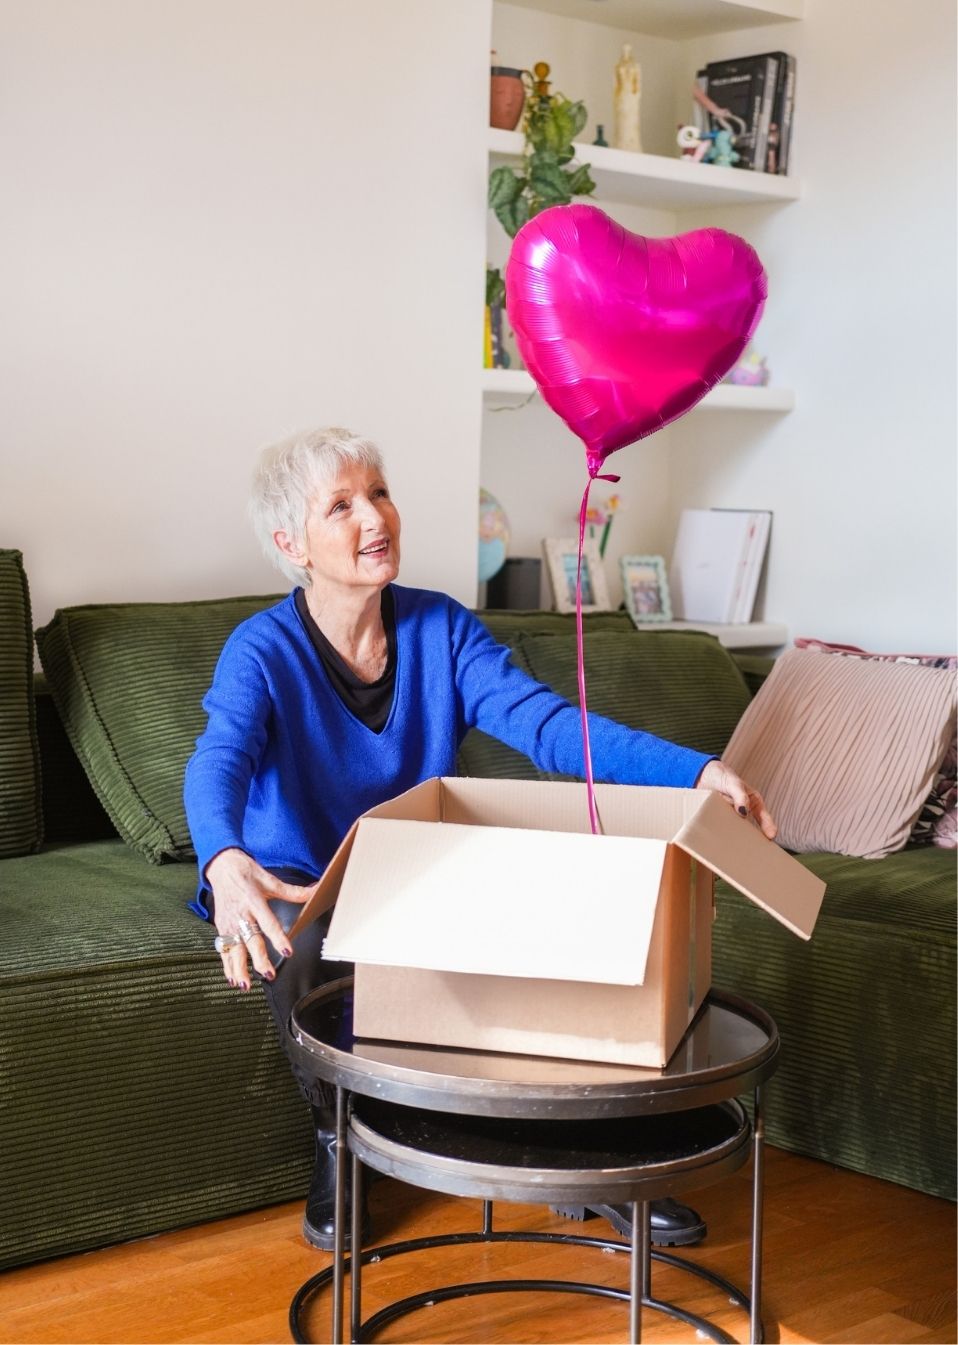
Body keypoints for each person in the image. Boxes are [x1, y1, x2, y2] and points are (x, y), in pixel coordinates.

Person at [184, 426, 776, 1253]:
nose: (375, 516)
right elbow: (216, 760)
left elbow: (548, 727)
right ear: (292, 544)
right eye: (342, 505)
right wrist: (223, 855)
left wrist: (694, 772)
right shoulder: (262, 649)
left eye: (380, 491)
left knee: (554, 923)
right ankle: (337, 1139)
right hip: (303, 873)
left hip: (418, 863)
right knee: (305, 944)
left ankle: (588, 1163)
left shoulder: (440, 628)